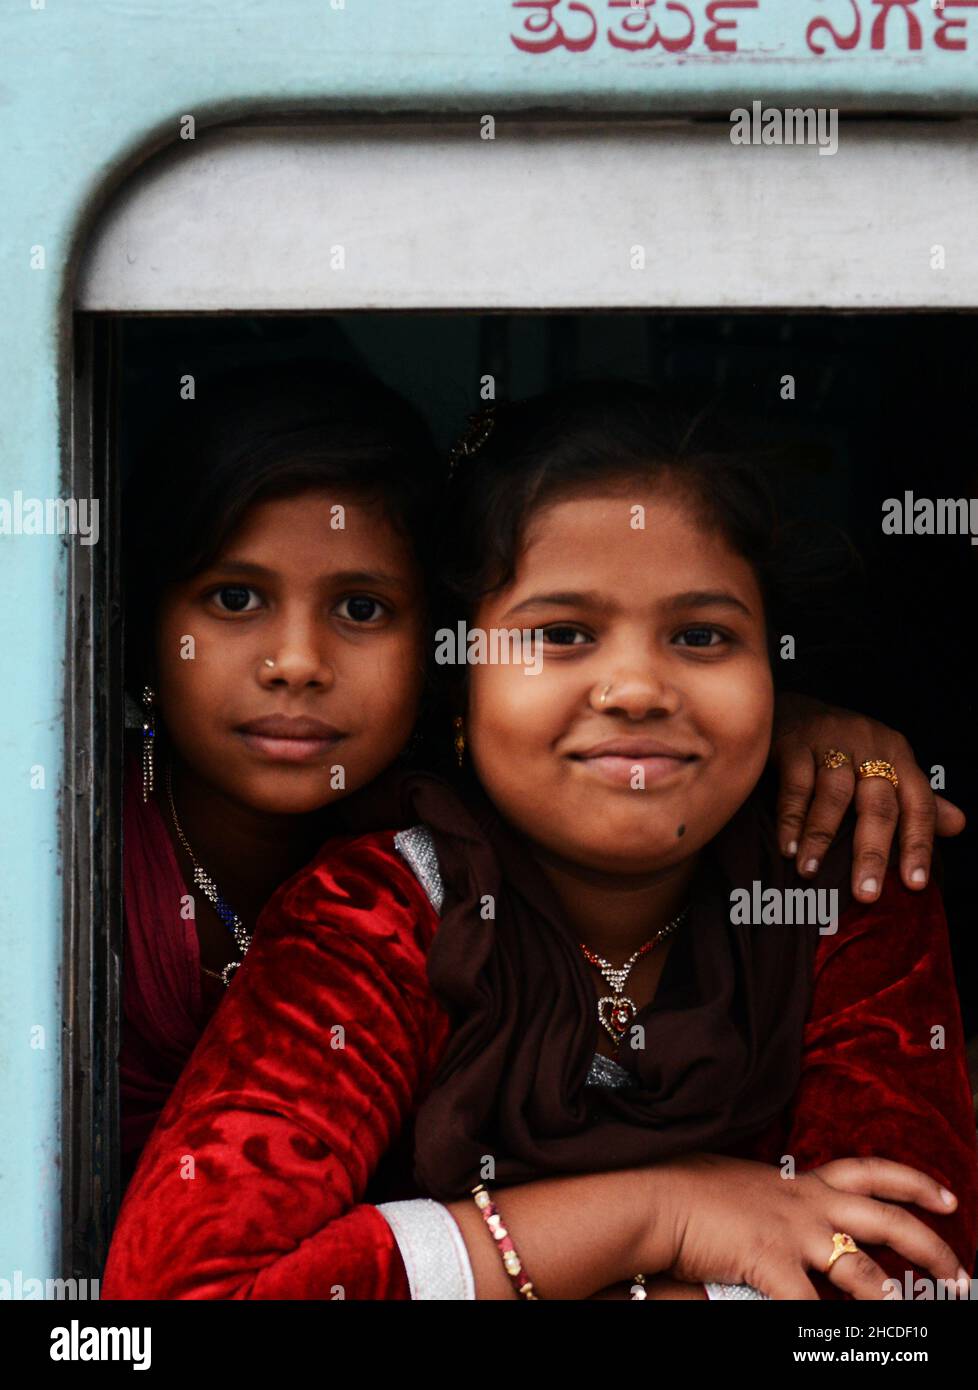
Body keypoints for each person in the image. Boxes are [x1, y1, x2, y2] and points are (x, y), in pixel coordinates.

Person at [104, 381, 976, 1299]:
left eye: (703, 636)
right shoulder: (378, 908)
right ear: (457, 678)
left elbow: (899, 1290)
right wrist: (669, 1214)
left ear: (773, 666)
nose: (636, 687)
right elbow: (177, 1297)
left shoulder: (846, 871)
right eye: (562, 633)